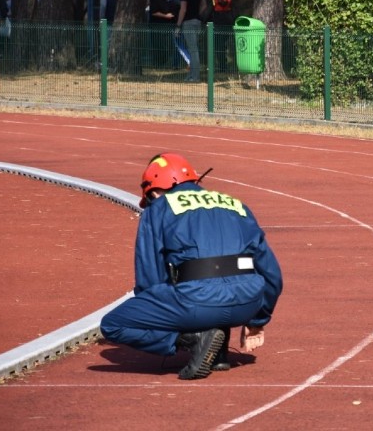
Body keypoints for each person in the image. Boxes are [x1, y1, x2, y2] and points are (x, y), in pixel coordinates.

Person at [100, 152, 283, 380]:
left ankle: (194, 338)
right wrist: (257, 320)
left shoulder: (157, 209)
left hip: (198, 302)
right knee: (216, 276)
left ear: (155, 189)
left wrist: (164, 320)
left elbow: (149, 277)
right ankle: (218, 350)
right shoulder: (237, 205)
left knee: (112, 325)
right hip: (247, 304)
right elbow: (272, 274)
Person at [176, 0, 203, 82]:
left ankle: (195, 76)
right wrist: (197, 13)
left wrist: (178, 25)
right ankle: (191, 74)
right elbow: (204, 4)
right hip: (197, 21)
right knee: (193, 48)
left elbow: (183, 8)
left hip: (188, 22)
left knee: (193, 49)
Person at [207, 0, 235, 72]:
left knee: (218, 45)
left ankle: (222, 65)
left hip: (218, 21)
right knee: (225, 43)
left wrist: (205, 19)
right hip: (228, 21)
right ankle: (226, 64)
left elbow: (211, 9)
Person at [149, 0, 177, 67]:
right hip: (157, 25)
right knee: (158, 45)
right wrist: (165, 16)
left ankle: (165, 62)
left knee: (167, 46)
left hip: (168, 25)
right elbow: (153, 12)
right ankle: (158, 63)